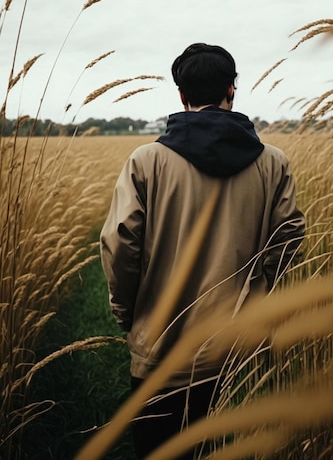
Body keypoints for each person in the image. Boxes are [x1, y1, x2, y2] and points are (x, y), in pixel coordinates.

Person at [100, 43, 305, 459]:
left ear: (181, 95)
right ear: (232, 89)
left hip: (161, 350)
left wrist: (128, 315)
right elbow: (287, 242)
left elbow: (120, 249)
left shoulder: (146, 162)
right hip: (238, 353)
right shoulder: (273, 163)